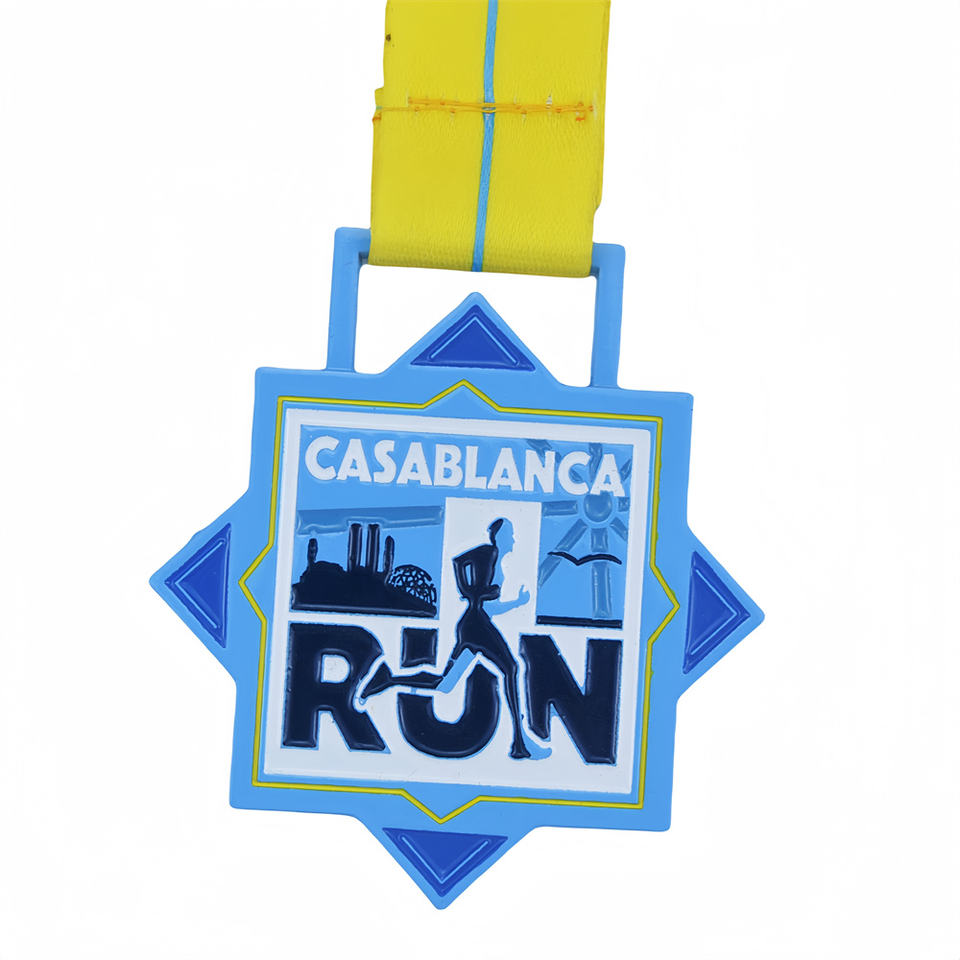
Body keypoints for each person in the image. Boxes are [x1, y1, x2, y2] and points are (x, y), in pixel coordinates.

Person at [360, 518, 548, 760]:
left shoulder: (495, 557)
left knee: (445, 684)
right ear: (500, 536)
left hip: (475, 622)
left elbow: (485, 600)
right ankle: (519, 742)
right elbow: (459, 562)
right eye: (510, 534)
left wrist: (514, 602)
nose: (513, 539)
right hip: (475, 624)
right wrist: (471, 592)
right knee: (510, 668)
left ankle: (388, 679)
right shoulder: (489, 552)